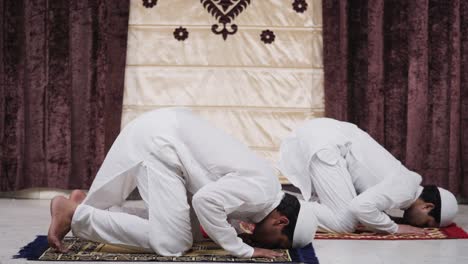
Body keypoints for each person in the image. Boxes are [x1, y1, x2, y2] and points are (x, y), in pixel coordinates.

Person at [47, 108, 317, 258]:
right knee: (173, 244)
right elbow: (205, 201)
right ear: (281, 221)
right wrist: (241, 250)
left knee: (194, 237)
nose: (270, 247)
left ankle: (89, 208)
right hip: (162, 144)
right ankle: (75, 214)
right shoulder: (261, 193)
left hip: (166, 138)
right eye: (278, 243)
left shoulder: (266, 191)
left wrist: (234, 233)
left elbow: (218, 200)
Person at [279, 118, 458, 234]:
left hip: (325, 136)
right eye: (426, 224)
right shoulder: (405, 189)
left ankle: (286, 204)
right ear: (427, 207)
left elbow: (367, 204)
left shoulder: (406, 182)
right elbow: (360, 206)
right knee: (344, 224)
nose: (419, 227)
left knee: (341, 213)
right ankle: (277, 203)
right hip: (328, 144)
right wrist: (395, 228)